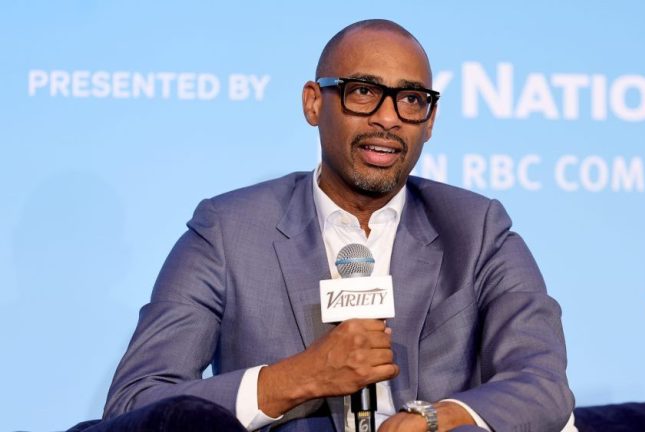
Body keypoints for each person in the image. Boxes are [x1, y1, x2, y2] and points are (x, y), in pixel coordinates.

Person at [103, 19, 574, 432]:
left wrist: (436, 418)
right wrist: (300, 376)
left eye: (411, 99)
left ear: (429, 121)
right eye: (364, 92)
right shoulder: (227, 231)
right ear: (313, 103)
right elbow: (136, 401)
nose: (388, 118)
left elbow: (543, 384)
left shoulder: (478, 231)